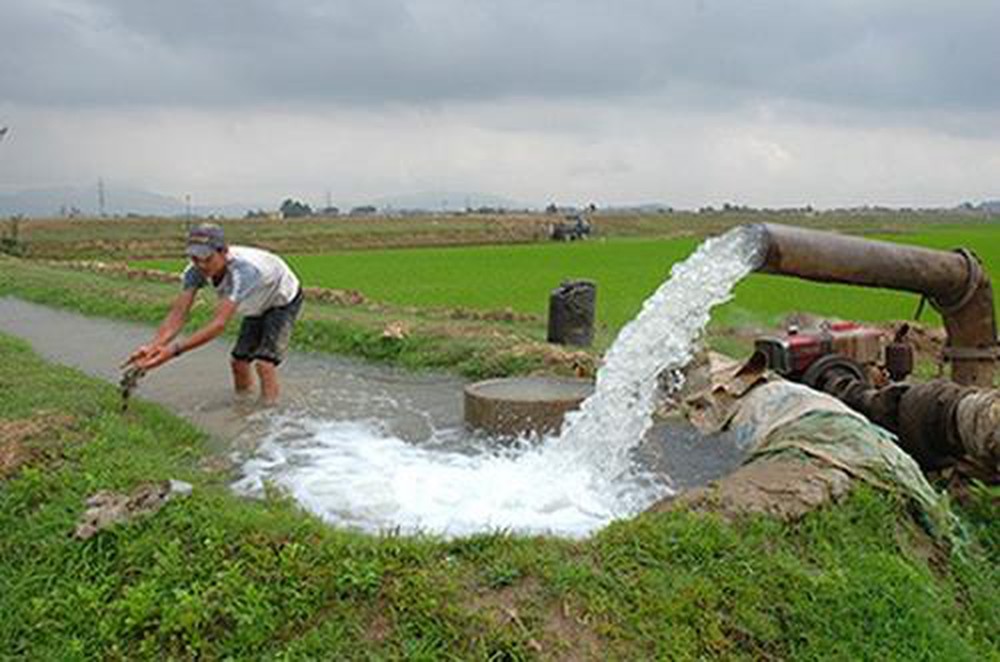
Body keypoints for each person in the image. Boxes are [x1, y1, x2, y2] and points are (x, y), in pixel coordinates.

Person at [126, 223, 303, 403]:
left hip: (281, 297)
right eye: (195, 258)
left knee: (265, 363)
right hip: (256, 303)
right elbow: (177, 316)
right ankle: (243, 407)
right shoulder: (194, 271)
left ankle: (270, 417)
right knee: (239, 362)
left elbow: (219, 324)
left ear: (223, 252)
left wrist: (173, 351)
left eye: (207, 258)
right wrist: (154, 346)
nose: (201, 264)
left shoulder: (243, 271)